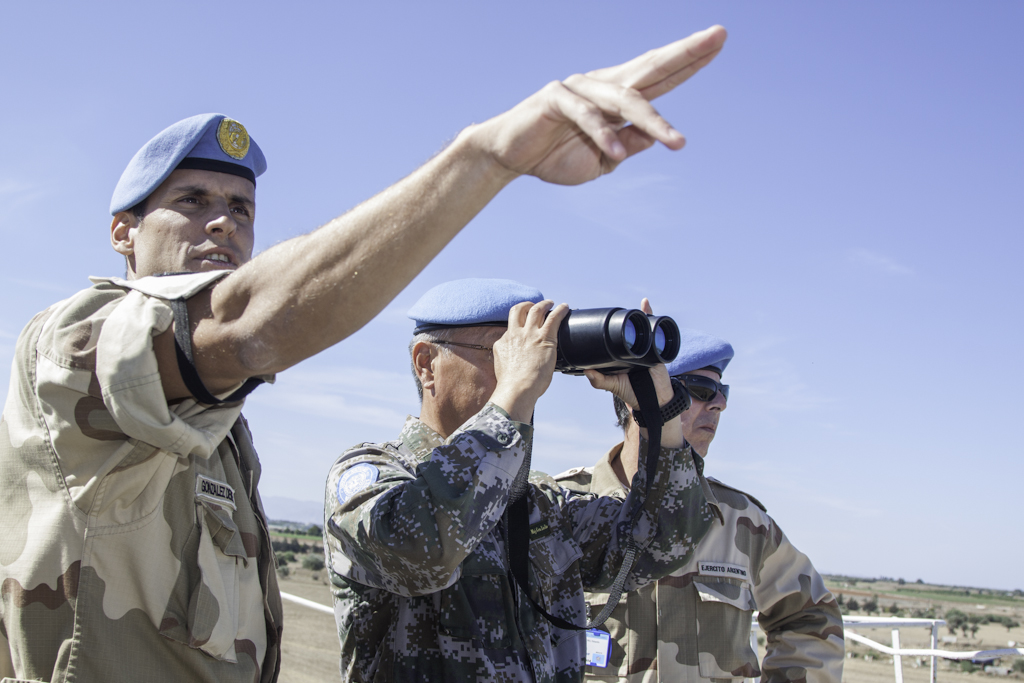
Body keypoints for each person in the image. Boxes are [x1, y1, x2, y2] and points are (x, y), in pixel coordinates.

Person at [0, 27, 730, 683]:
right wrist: (486, 159)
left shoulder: (215, 430)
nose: (223, 220)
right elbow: (420, 541)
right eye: (191, 200)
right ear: (124, 232)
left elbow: (664, 544)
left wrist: (655, 403)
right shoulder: (76, 347)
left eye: (242, 207)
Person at [323, 279, 717, 683]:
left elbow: (666, 542)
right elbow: (424, 553)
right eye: (504, 352)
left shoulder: (540, 505)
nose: (531, 368)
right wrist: (513, 393)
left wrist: (659, 411)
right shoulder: (371, 475)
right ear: (426, 364)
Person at [556, 329, 845, 683]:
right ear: (639, 394)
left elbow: (811, 618)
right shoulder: (559, 508)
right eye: (701, 390)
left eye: (722, 394)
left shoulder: (741, 521)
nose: (718, 405)